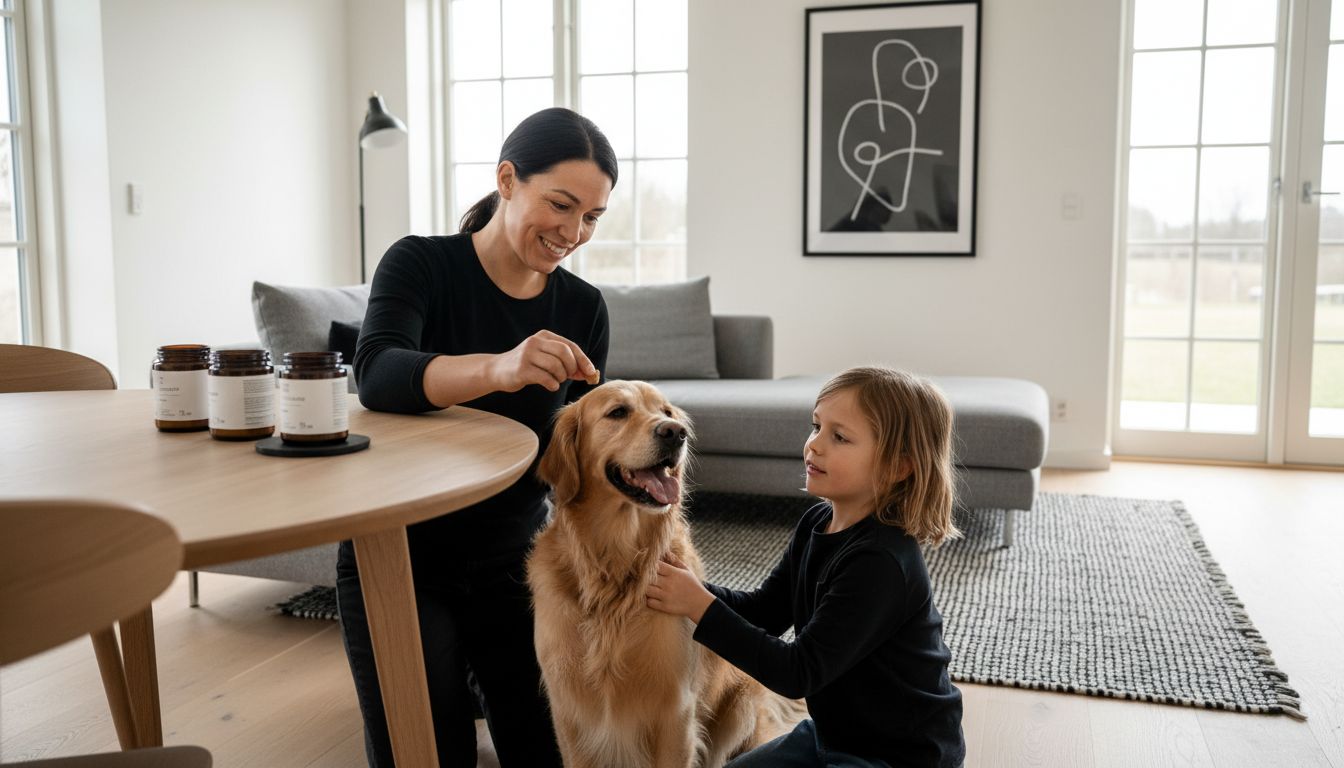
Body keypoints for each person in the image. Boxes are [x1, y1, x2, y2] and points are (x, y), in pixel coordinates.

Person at [337, 107, 616, 767]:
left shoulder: (582, 309)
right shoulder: (421, 265)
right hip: (399, 560)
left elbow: (583, 456)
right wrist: (500, 367)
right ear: (507, 179)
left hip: (518, 562)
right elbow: (377, 372)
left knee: (549, 750)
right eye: (561, 205)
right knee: (428, 755)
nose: (574, 232)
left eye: (592, 217)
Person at [646, 366, 966, 768]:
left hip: (898, 756)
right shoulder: (817, 522)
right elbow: (765, 610)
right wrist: (695, 588)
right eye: (816, 426)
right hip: (832, 736)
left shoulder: (880, 563)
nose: (814, 445)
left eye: (840, 437)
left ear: (898, 467)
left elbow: (797, 672)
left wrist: (699, 606)